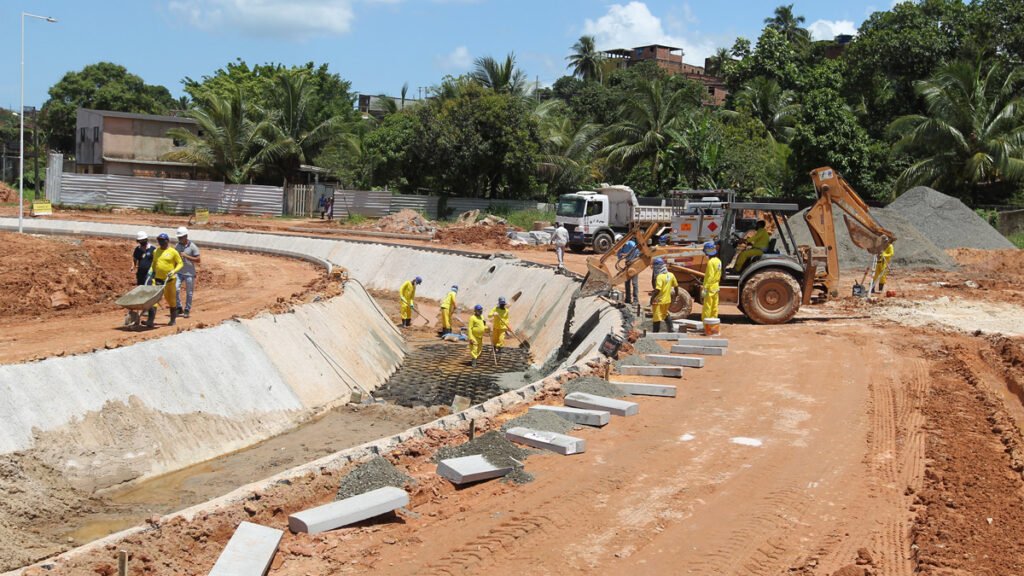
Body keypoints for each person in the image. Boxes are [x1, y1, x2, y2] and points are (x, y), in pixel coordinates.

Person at [146, 233, 183, 327]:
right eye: (159, 240)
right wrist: (151, 270)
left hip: (169, 280)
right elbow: (154, 263)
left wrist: (174, 271)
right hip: (157, 279)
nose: (160, 242)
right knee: (153, 300)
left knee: (171, 300)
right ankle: (150, 321)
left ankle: (173, 319)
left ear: (167, 241)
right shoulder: (156, 251)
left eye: (162, 240)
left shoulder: (173, 252)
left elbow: (180, 263)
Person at [174, 227, 201, 318]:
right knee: (175, 289)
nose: (179, 239)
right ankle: (179, 307)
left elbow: (198, 259)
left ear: (186, 236)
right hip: (179, 272)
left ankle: (187, 309)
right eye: (178, 238)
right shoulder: (177, 246)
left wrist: (186, 256)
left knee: (189, 292)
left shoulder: (193, 247)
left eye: (181, 237)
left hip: (189, 273)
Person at [652, 257, 679, 333]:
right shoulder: (671, 275)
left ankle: (655, 333)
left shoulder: (659, 277)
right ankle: (671, 329)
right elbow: (676, 286)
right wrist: (676, 295)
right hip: (667, 300)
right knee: (665, 314)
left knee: (657, 317)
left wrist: (652, 298)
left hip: (658, 301)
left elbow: (658, 290)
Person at [702, 241, 722, 322]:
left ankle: (705, 324)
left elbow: (710, 276)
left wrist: (705, 288)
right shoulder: (718, 260)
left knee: (707, 307)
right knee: (714, 306)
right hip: (716, 286)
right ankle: (713, 323)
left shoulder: (711, 262)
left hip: (710, 288)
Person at [617, 237, 640, 304]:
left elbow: (636, 251)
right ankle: (628, 299)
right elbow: (619, 257)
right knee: (626, 282)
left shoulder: (631, 243)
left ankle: (636, 300)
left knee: (634, 283)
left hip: (634, 264)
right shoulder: (621, 248)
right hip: (627, 264)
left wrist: (627, 255)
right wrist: (620, 252)